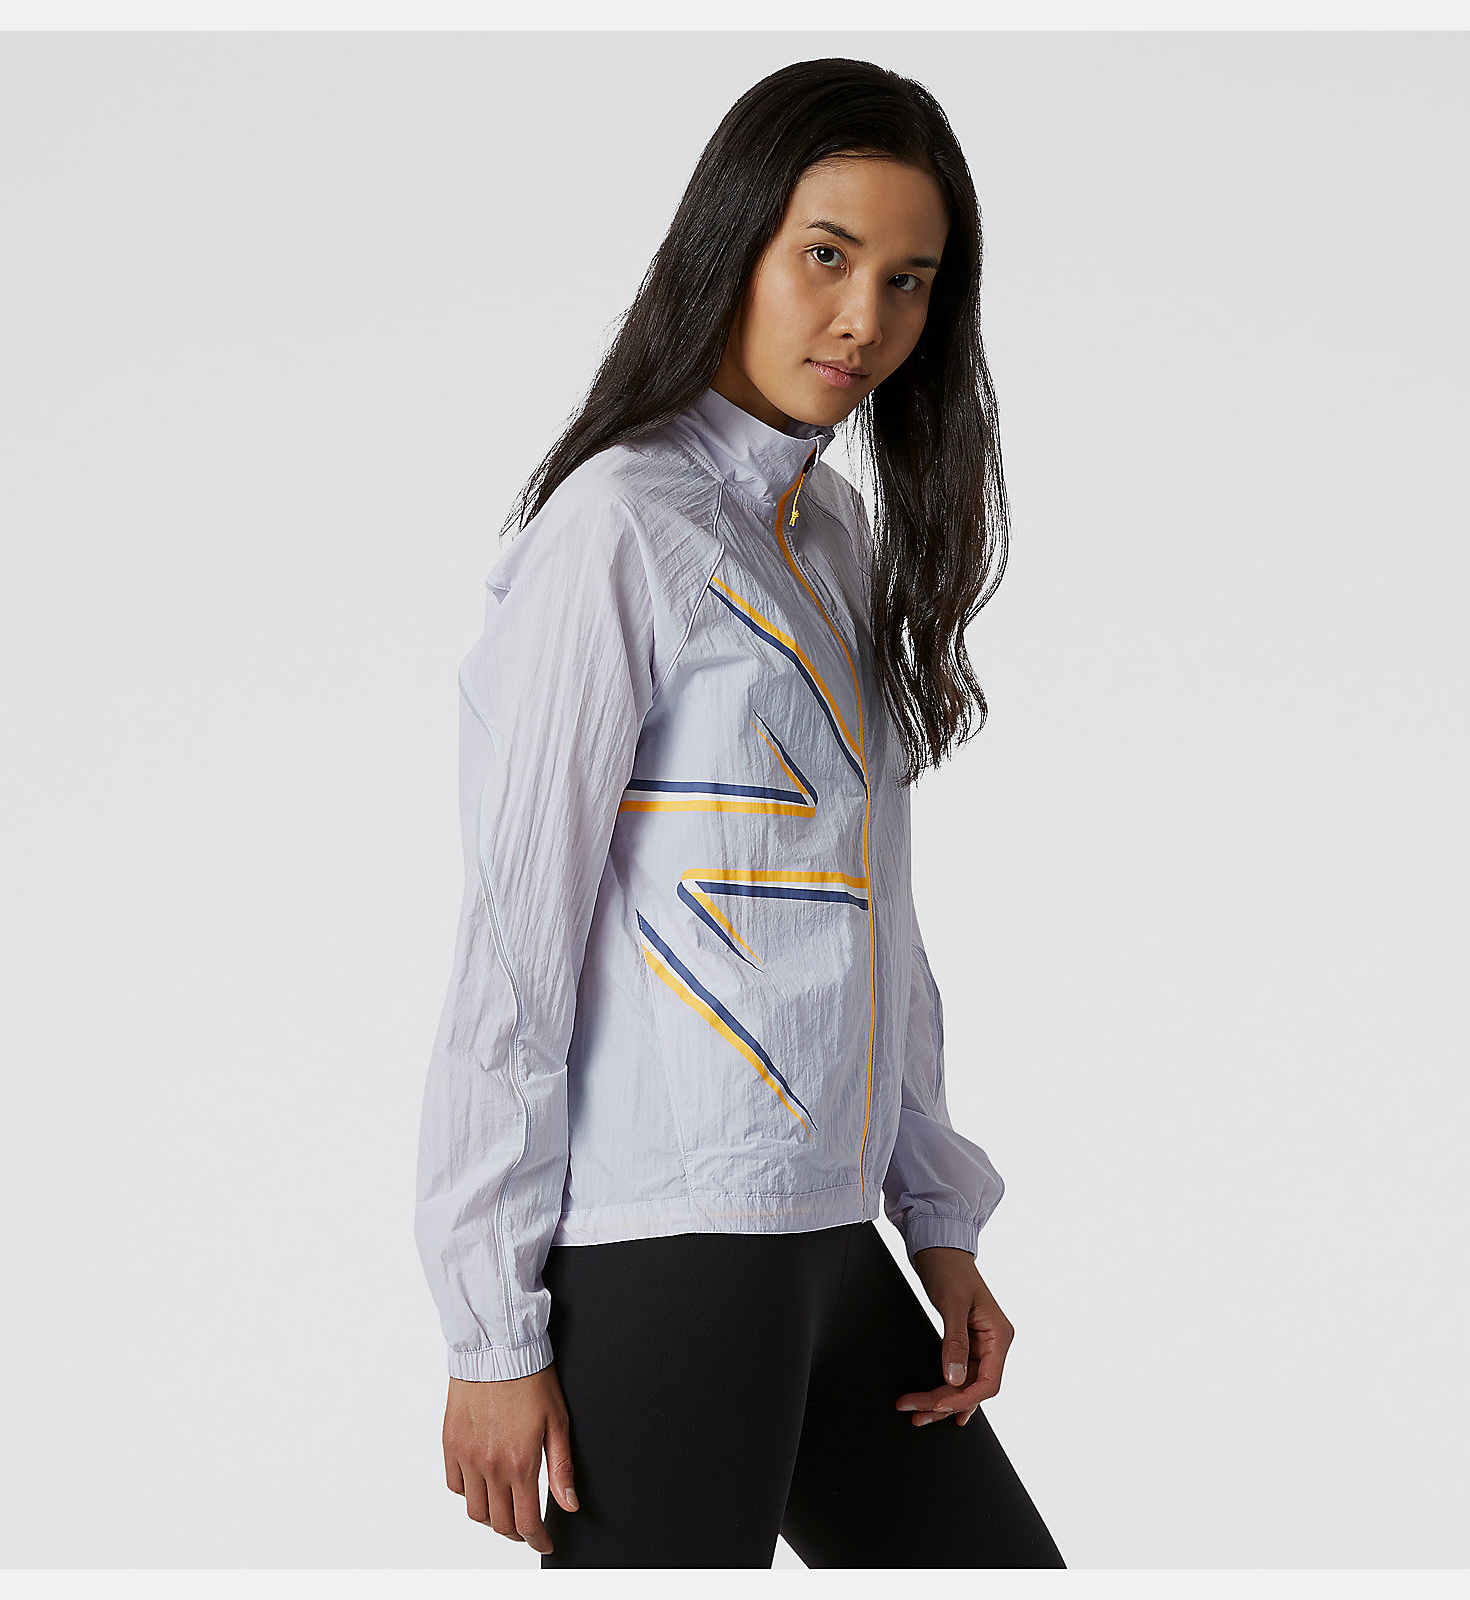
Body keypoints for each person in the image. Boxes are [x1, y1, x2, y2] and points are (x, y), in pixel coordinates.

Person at [413, 57, 1067, 1569]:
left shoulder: (830, 532)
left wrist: (935, 1212)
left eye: (908, 281)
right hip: (670, 1249)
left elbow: (870, 914)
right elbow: (513, 941)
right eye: (826, 256)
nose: (864, 321)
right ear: (733, 244)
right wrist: (488, 1330)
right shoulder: (617, 527)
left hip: (834, 1245)